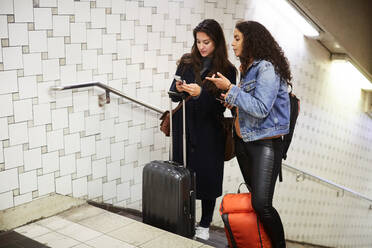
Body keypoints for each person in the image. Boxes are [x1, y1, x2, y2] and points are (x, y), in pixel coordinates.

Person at [206, 21, 291, 247]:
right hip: (244, 143)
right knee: (256, 201)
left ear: (250, 40)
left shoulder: (267, 68)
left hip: (265, 145)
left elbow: (261, 108)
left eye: (236, 38)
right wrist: (230, 101)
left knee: (262, 204)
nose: (232, 44)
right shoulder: (248, 67)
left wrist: (230, 89)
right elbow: (248, 106)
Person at [169, 19, 237, 240]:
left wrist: (201, 94)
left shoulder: (227, 69)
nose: (201, 46)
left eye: (206, 42)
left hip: (210, 129)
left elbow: (223, 104)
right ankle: (181, 218)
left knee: (209, 177)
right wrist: (179, 89)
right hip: (185, 125)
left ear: (216, 41)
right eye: (198, 41)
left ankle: (205, 224)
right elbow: (173, 93)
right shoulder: (187, 62)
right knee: (182, 174)